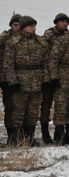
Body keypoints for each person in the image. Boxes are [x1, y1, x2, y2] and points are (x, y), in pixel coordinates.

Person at [3, 16, 50, 146]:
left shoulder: (40, 42)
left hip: (37, 81)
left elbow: (46, 63)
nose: (34, 28)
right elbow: (8, 64)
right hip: (20, 82)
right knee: (18, 112)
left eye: (35, 26)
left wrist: (46, 80)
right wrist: (12, 82)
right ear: (24, 27)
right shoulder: (13, 42)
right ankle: (17, 138)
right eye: (31, 26)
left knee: (33, 112)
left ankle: (29, 138)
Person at [40, 13, 69, 144]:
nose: (65, 24)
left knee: (61, 105)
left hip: (62, 75)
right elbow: (44, 56)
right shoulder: (49, 35)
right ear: (56, 22)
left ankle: (60, 133)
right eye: (62, 21)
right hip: (48, 74)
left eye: (66, 22)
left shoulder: (68, 36)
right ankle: (45, 134)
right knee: (46, 106)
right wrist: (47, 77)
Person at [0, 14, 22, 142]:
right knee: (9, 107)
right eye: (15, 25)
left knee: (20, 108)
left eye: (20, 25)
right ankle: (11, 136)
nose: (18, 27)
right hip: (7, 78)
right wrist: (3, 79)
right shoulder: (4, 38)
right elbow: (2, 61)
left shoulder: (24, 37)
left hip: (22, 78)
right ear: (10, 25)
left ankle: (21, 135)